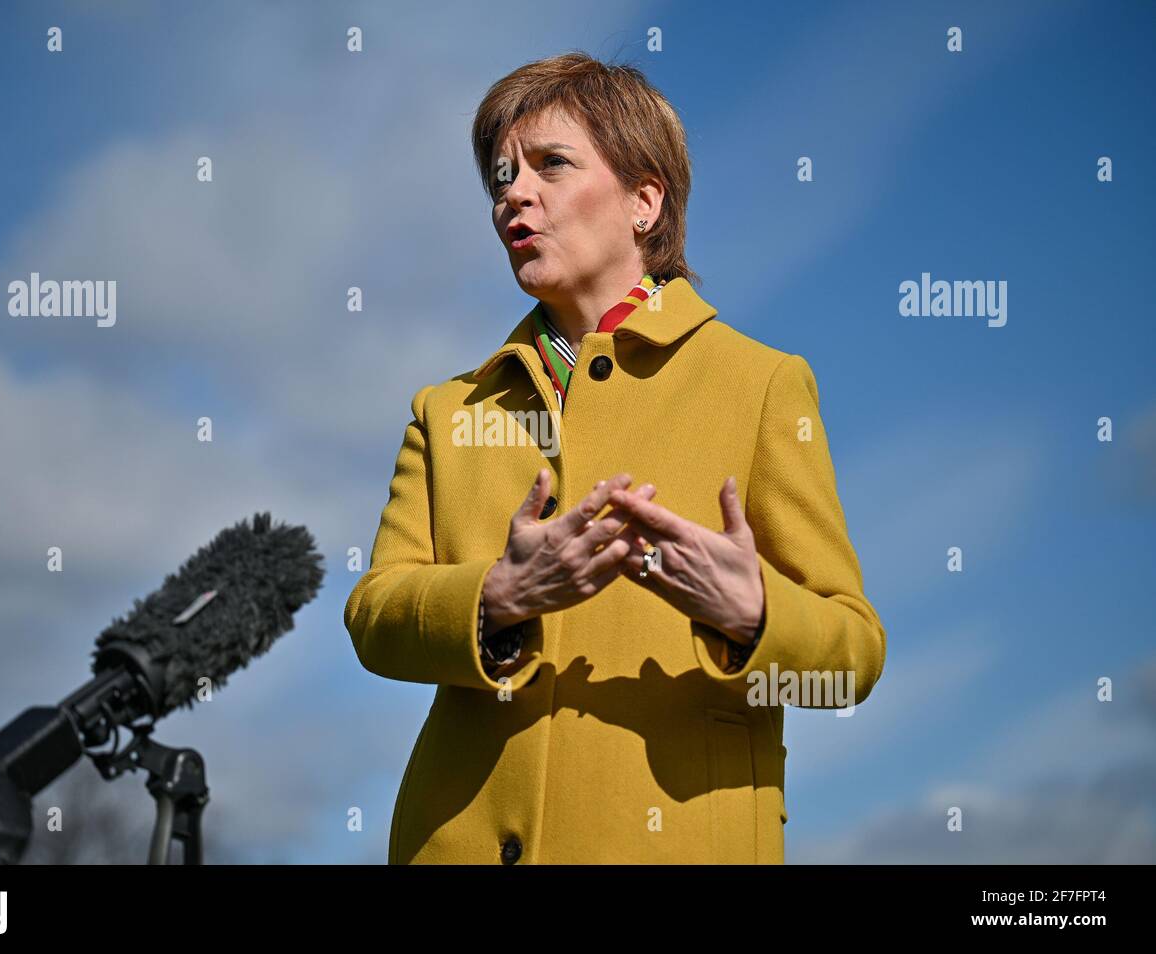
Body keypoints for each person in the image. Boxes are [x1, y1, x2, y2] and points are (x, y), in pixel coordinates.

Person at [344, 51, 887, 864]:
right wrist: (495, 598)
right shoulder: (448, 410)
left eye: (550, 165)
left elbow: (851, 660)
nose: (512, 196)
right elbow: (375, 618)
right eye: (500, 178)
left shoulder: (763, 384)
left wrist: (755, 615)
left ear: (644, 200)